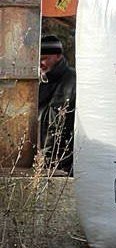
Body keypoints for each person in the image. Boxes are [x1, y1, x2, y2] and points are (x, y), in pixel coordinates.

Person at [38, 34, 75, 173]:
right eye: (38, 59)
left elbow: (58, 126)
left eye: (45, 59)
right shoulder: (43, 81)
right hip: (44, 161)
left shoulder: (71, 81)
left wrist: (48, 160)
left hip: (60, 165)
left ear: (58, 56)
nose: (40, 63)